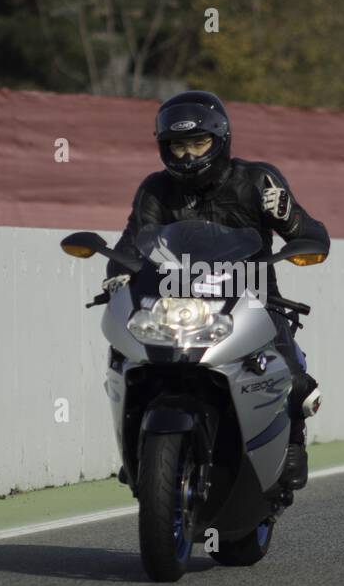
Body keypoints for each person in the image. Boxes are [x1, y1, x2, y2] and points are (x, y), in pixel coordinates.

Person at [104, 90, 329, 501]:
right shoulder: (156, 190)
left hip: (252, 298)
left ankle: (291, 442)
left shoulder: (258, 181)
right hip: (174, 300)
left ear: (220, 140)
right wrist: (117, 276)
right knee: (130, 362)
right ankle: (140, 444)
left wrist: (288, 216)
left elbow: (314, 236)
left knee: (293, 380)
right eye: (178, 146)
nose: (188, 156)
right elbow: (131, 243)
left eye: (198, 144)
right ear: (163, 147)